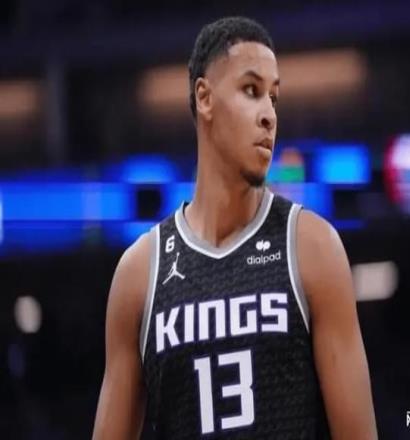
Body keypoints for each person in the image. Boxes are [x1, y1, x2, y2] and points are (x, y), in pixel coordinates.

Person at [92, 16, 378, 439]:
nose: (269, 115)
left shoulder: (311, 248)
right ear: (204, 98)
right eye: (251, 91)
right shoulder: (140, 274)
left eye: (273, 98)